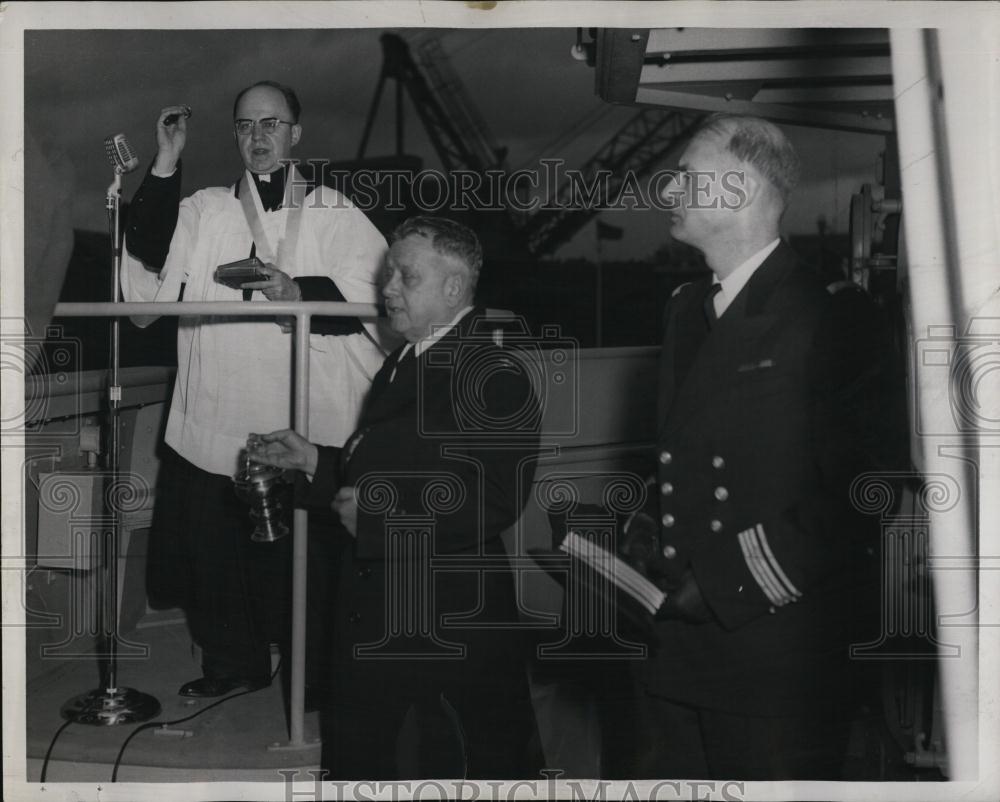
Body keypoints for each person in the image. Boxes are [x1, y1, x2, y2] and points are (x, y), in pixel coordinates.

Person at [626, 113, 897, 779]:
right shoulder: (687, 309)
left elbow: (864, 493)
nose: (669, 191)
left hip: (776, 660)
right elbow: (682, 461)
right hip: (680, 653)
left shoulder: (834, 317)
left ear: (741, 190)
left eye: (686, 176)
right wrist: (635, 542)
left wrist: (722, 584)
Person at [121, 81, 390, 698]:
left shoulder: (334, 210)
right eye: (245, 125)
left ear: (295, 134)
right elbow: (150, 252)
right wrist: (165, 163)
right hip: (221, 409)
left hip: (304, 410)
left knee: (309, 561)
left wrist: (297, 291)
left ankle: (315, 678)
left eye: (271, 124)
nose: (258, 137)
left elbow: (381, 300)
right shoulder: (207, 207)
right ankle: (232, 665)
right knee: (215, 552)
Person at [249, 216, 540, 779]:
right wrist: (311, 460)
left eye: (406, 277)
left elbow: (496, 497)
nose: (387, 289)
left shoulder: (493, 371)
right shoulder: (409, 359)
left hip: (444, 633)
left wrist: (383, 517)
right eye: (389, 275)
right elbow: (384, 470)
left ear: (453, 289)